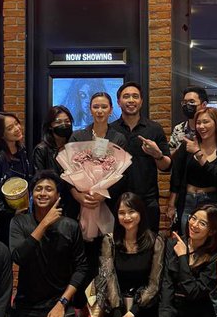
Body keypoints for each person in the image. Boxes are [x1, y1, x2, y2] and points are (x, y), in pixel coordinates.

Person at [5, 170, 88, 317]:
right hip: (26, 306)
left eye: (49, 189)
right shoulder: (19, 222)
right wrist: (43, 224)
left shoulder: (70, 226)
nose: (43, 193)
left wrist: (62, 304)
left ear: (58, 195)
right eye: (38, 189)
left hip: (58, 304)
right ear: (32, 194)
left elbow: (81, 268)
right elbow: (18, 257)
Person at [94, 192, 165, 317]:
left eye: (131, 211)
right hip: (114, 311)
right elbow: (107, 279)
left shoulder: (156, 241)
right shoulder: (109, 241)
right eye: (122, 212)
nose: (127, 217)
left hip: (143, 311)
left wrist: (132, 314)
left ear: (140, 213)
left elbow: (154, 284)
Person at [70, 91, 128, 279]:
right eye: (96, 107)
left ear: (111, 110)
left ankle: (106, 294)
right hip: (82, 203)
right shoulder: (78, 136)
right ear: (90, 109)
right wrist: (78, 195)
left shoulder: (118, 138)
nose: (100, 111)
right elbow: (67, 172)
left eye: (104, 107)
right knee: (83, 256)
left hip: (108, 204)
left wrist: (103, 194)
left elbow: (122, 174)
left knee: (107, 253)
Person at [110, 82, 171, 232]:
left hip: (147, 200)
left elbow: (166, 167)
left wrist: (157, 155)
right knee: (118, 242)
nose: (131, 100)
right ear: (118, 102)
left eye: (135, 96)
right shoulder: (110, 130)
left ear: (141, 101)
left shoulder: (154, 128)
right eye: (126, 96)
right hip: (117, 200)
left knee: (149, 241)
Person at [167, 107, 217, 235]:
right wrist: (171, 204)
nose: (201, 126)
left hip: (211, 201)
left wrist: (198, 153)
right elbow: (177, 174)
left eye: (206, 122)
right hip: (188, 199)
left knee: (209, 238)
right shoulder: (188, 145)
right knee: (185, 235)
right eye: (198, 123)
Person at [0, 111, 30, 246]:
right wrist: (11, 212)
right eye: (10, 128)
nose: (17, 129)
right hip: (3, 218)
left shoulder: (21, 150)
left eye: (17, 124)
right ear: (0, 134)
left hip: (22, 211)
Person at [32, 105, 78, 220]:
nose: (64, 125)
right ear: (50, 125)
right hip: (51, 203)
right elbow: (40, 178)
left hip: (74, 201)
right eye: (58, 122)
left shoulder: (75, 146)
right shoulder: (42, 149)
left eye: (67, 121)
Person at [169, 86, 208, 153]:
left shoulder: (211, 129)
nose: (187, 105)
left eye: (192, 102)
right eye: (185, 102)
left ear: (203, 105)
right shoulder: (178, 129)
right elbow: (171, 153)